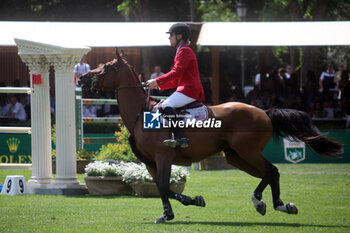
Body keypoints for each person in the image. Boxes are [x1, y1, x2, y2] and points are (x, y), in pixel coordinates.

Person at [146, 23, 205, 148]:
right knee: (163, 104)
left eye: (171, 35)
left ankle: (181, 138)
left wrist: (156, 81)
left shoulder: (185, 51)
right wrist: (158, 86)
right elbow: (176, 79)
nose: (169, 38)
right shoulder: (181, 51)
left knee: (166, 104)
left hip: (190, 90)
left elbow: (175, 72)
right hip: (185, 89)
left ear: (179, 36)